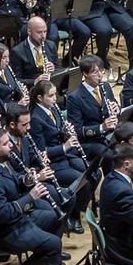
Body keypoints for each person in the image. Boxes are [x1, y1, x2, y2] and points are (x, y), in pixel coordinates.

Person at [0, 128, 78, 265]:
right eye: (6, 144)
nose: (11, 147)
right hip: (1, 233)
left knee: (54, 218)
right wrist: (30, 197)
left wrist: (26, 180)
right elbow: (2, 214)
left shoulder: (0, 162)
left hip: (15, 221)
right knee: (53, 244)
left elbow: (13, 183)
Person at [28, 80, 92, 231]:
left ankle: (75, 210)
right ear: (39, 98)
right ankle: (72, 216)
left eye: (54, 95)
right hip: (52, 163)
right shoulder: (35, 118)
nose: (54, 98)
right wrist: (65, 146)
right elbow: (40, 151)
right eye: (50, 96)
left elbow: (58, 132)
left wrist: (65, 132)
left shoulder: (53, 109)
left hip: (65, 156)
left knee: (93, 173)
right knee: (83, 181)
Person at [10, 16, 58, 84]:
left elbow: (59, 68)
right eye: (39, 32)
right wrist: (35, 81)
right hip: (32, 89)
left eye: (45, 31)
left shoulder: (51, 45)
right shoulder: (17, 52)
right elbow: (15, 80)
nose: (43, 36)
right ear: (29, 31)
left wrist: (54, 69)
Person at [0, 42, 27, 106]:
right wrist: (17, 104)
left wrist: (21, 93)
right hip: (7, 112)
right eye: (4, 58)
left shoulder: (7, 69)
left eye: (8, 56)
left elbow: (13, 88)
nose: (8, 60)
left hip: (17, 104)